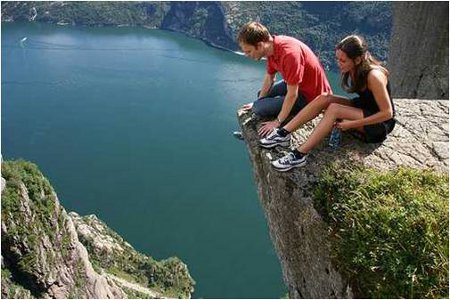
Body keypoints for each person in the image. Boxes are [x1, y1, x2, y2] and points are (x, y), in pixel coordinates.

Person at [261, 35, 396, 172]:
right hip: (363, 108)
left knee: (334, 109)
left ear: (358, 59)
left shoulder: (374, 76)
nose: (339, 63)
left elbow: (387, 113)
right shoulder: (355, 68)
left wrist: (350, 124)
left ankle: (299, 155)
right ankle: (283, 133)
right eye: (337, 59)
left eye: (343, 60)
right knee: (325, 98)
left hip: (379, 125)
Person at [237, 21, 332, 137]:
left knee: (258, 108)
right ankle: (267, 103)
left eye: (248, 51)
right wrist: (260, 100)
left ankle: (287, 110)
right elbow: (269, 77)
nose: (247, 55)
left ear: (260, 45)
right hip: (299, 85)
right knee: (260, 97)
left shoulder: (289, 54)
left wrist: (278, 121)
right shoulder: (272, 48)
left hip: (311, 96)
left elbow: (292, 94)